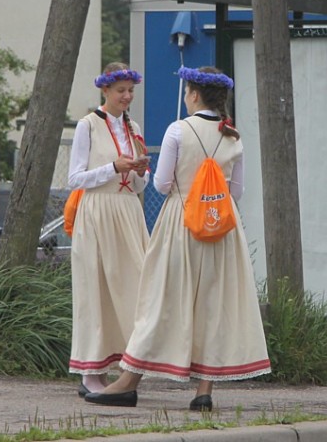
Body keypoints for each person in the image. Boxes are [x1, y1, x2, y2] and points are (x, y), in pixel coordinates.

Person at [86, 66, 271, 410]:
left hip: (181, 222)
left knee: (160, 300)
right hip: (221, 229)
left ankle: (129, 381)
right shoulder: (232, 134)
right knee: (213, 305)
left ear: (194, 94)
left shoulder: (178, 131)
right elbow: (238, 191)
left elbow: (161, 185)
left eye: (187, 91)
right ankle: (204, 391)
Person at [68, 63, 151, 395]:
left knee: (137, 287)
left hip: (128, 211)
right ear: (105, 90)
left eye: (131, 91)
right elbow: (75, 179)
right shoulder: (87, 126)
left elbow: (141, 184)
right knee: (96, 288)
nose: (127, 97)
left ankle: (130, 363)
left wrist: (140, 170)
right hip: (98, 211)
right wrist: (111, 168)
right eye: (121, 91)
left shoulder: (133, 126)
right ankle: (91, 369)